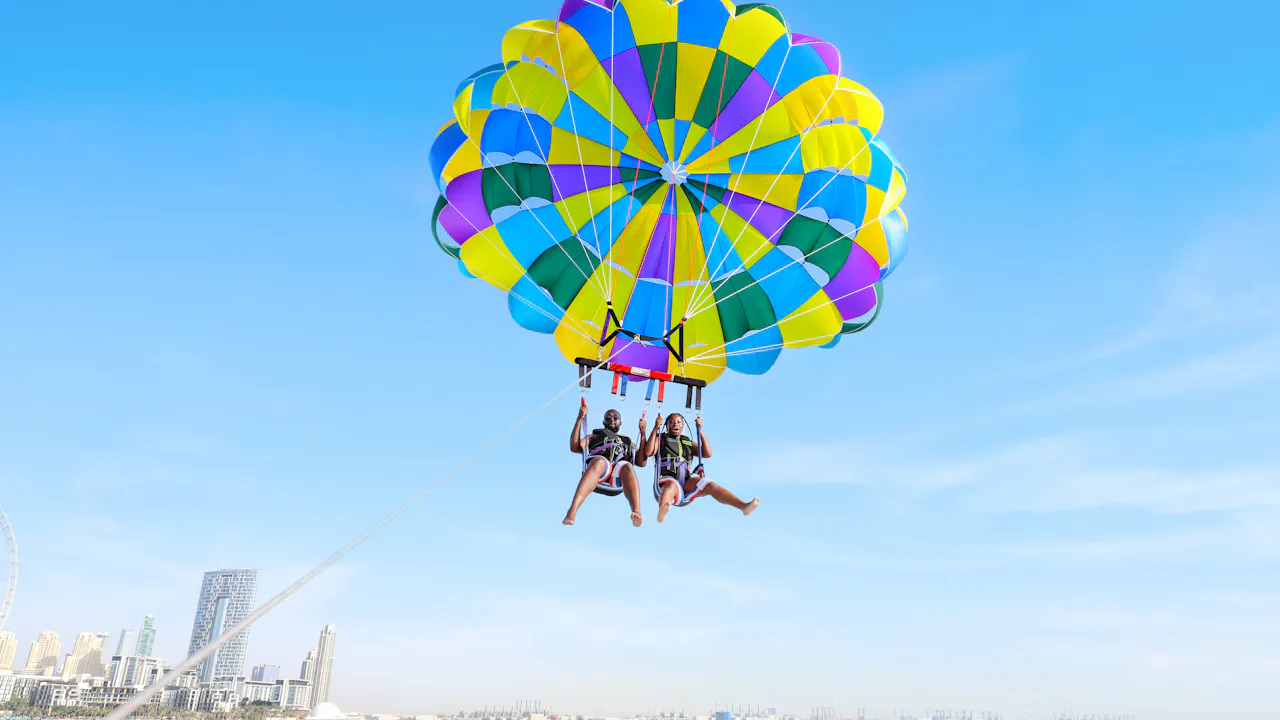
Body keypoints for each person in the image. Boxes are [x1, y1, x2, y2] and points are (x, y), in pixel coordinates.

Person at [640, 412, 759, 523]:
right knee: (671, 485)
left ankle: (743, 506)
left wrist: (700, 430)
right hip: (667, 479)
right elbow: (649, 451)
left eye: (678, 422)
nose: (675, 423)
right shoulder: (661, 438)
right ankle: (663, 508)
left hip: (686, 482)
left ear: (682, 426)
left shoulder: (688, 442)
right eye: (671, 422)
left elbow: (707, 453)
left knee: (710, 485)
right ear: (666, 426)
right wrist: (656, 428)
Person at [563, 402, 645, 527]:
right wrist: (580, 419)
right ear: (603, 422)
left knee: (627, 466)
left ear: (620, 422)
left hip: (617, 478)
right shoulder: (595, 435)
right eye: (608, 418)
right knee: (600, 461)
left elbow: (641, 462)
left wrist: (643, 434)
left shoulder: (627, 441)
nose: (611, 419)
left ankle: (636, 511)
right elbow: (574, 447)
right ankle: (572, 510)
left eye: (615, 417)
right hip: (600, 470)